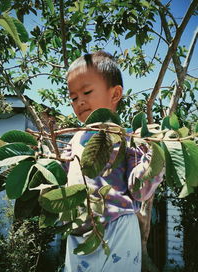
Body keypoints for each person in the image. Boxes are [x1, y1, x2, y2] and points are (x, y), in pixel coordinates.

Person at [63, 51, 163, 272]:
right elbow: (65, 178)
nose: (79, 101)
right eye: (72, 97)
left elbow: (139, 191)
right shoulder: (75, 139)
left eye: (87, 91)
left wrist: (154, 155)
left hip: (117, 226)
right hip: (79, 231)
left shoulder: (128, 139)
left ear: (115, 94)